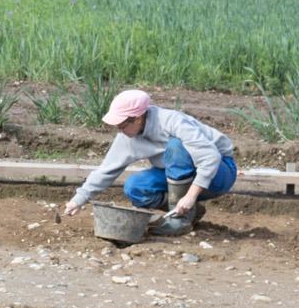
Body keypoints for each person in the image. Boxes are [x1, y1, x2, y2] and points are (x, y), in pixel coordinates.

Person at [64, 88, 237, 234]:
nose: (120, 130)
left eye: (123, 125)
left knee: (176, 146)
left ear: (138, 118)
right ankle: (188, 212)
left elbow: (210, 157)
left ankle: (181, 220)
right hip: (178, 174)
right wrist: (78, 200)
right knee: (135, 187)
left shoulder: (172, 121)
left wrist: (191, 196)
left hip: (220, 172)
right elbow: (105, 170)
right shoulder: (127, 136)